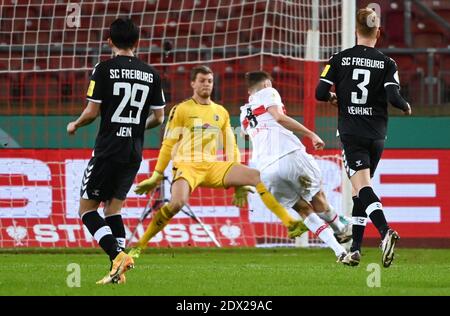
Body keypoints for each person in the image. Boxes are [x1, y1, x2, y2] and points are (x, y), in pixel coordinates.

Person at [129, 65, 307, 257]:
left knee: (258, 176)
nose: (206, 84)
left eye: (210, 81)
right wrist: (157, 174)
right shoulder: (181, 109)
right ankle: (140, 245)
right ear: (192, 84)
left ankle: (289, 222)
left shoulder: (220, 112)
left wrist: (239, 185)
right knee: (176, 203)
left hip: (212, 166)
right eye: (202, 81)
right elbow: (168, 143)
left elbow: (231, 145)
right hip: (186, 165)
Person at [66, 18, 166, 284]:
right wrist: (135, 127)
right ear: (137, 42)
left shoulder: (104, 69)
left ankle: (118, 255)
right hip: (133, 150)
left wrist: (75, 123)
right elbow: (159, 118)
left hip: (108, 149)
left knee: (87, 211)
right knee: (113, 210)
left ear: (109, 40)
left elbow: (91, 112)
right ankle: (117, 273)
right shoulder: (151, 74)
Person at [315, 7, 412, 267]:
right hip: (377, 134)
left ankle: (384, 232)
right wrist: (405, 105)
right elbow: (393, 97)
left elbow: (320, 92)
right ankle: (356, 248)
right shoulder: (387, 63)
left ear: (356, 31)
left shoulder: (339, 58)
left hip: (351, 132)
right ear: (378, 32)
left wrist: (334, 97)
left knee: (363, 188)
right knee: (361, 191)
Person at [241, 71, 350, 261]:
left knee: (303, 210)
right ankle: (340, 227)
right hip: (289, 155)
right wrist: (311, 134)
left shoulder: (244, 111)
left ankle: (339, 250)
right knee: (318, 199)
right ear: (267, 84)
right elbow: (279, 117)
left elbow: (246, 134)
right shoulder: (269, 92)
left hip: (266, 170)